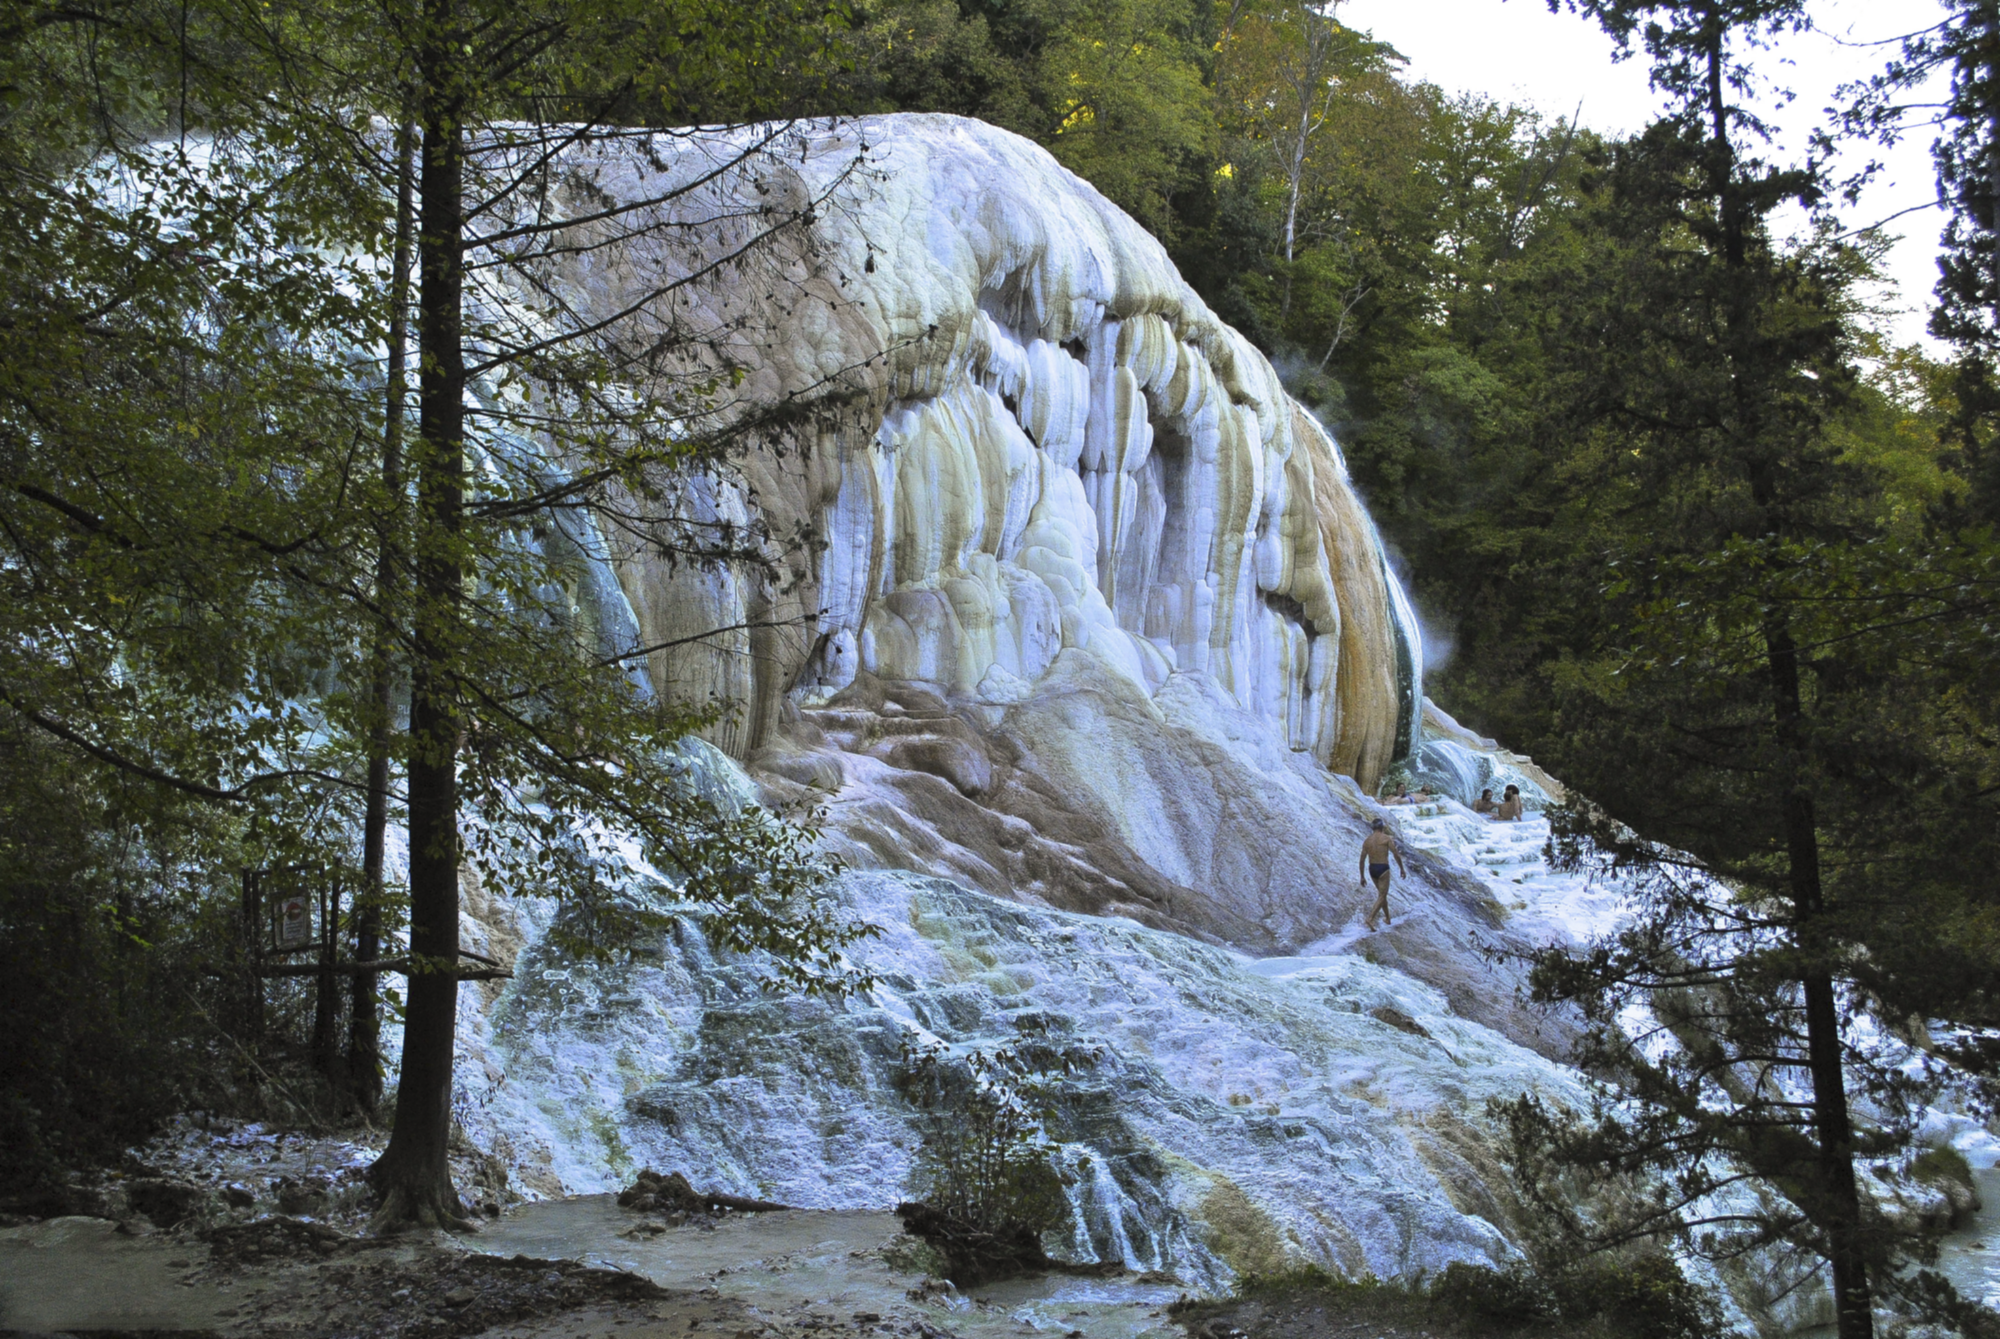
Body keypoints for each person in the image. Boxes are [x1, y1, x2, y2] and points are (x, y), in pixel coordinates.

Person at [1358, 819, 1408, 932]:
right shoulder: (1386, 838)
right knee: (1382, 895)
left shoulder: (1367, 841)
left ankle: (1388, 918)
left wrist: (1362, 876)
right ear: (1382, 828)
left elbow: (1362, 860)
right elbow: (1396, 854)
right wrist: (1401, 869)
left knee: (1382, 894)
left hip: (1372, 869)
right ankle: (1370, 918)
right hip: (1383, 868)